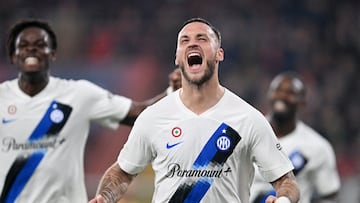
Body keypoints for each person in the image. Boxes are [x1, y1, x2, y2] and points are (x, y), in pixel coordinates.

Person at [89, 17, 300, 203]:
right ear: (177, 57)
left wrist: (283, 200)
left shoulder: (248, 118)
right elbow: (123, 172)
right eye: (185, 41)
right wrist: (106, 197)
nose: (192, 44)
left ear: (219, 54)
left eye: (202, 39)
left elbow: (285, 180)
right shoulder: (153, 117)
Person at [0, 19, 181, 203]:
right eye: (24, 45)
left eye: (40, 45)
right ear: (13, 55)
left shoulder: (79, 94)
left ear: (52, 54)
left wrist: (172, 92)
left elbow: (138, 113)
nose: (32, 49)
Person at [250, 72, 341, 203]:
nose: (282, 96)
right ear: (269, 95)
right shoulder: (249, 132)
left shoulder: (317, 147)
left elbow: (329, 195)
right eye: (278, 90)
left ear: (302, 103)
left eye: (290, 93)